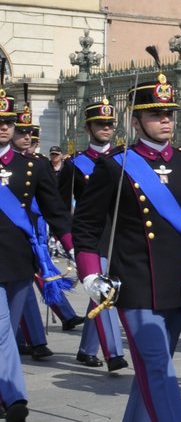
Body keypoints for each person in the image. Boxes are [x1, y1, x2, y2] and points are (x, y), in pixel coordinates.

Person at [72, 68, 181, 422]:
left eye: (170, 113)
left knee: (151, 364)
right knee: (157, 364)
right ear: (136, 120)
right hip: (135, 284)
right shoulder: (116, 166)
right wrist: (89, 274)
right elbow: (84, 227)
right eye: (156, 114)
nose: (166, 121)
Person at [0, 83, 75, 422]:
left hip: (18, 260)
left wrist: (74, 245)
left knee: (8, 330)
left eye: (8, 120)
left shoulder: (33, 166)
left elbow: (55, 209)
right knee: (1, 333)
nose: (4, 126)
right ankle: (15, 398)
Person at [60, 96, 128, 372]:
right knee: (104, 290)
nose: (106, 128)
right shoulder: (74, 165)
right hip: (93, 236)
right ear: (88, 127)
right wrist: (67, 240)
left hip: (123, 234)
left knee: (99, 293)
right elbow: (60, 205)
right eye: (100, 124)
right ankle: (113, 353)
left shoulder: (125, 158)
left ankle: (87, 348)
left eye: (110, 123)